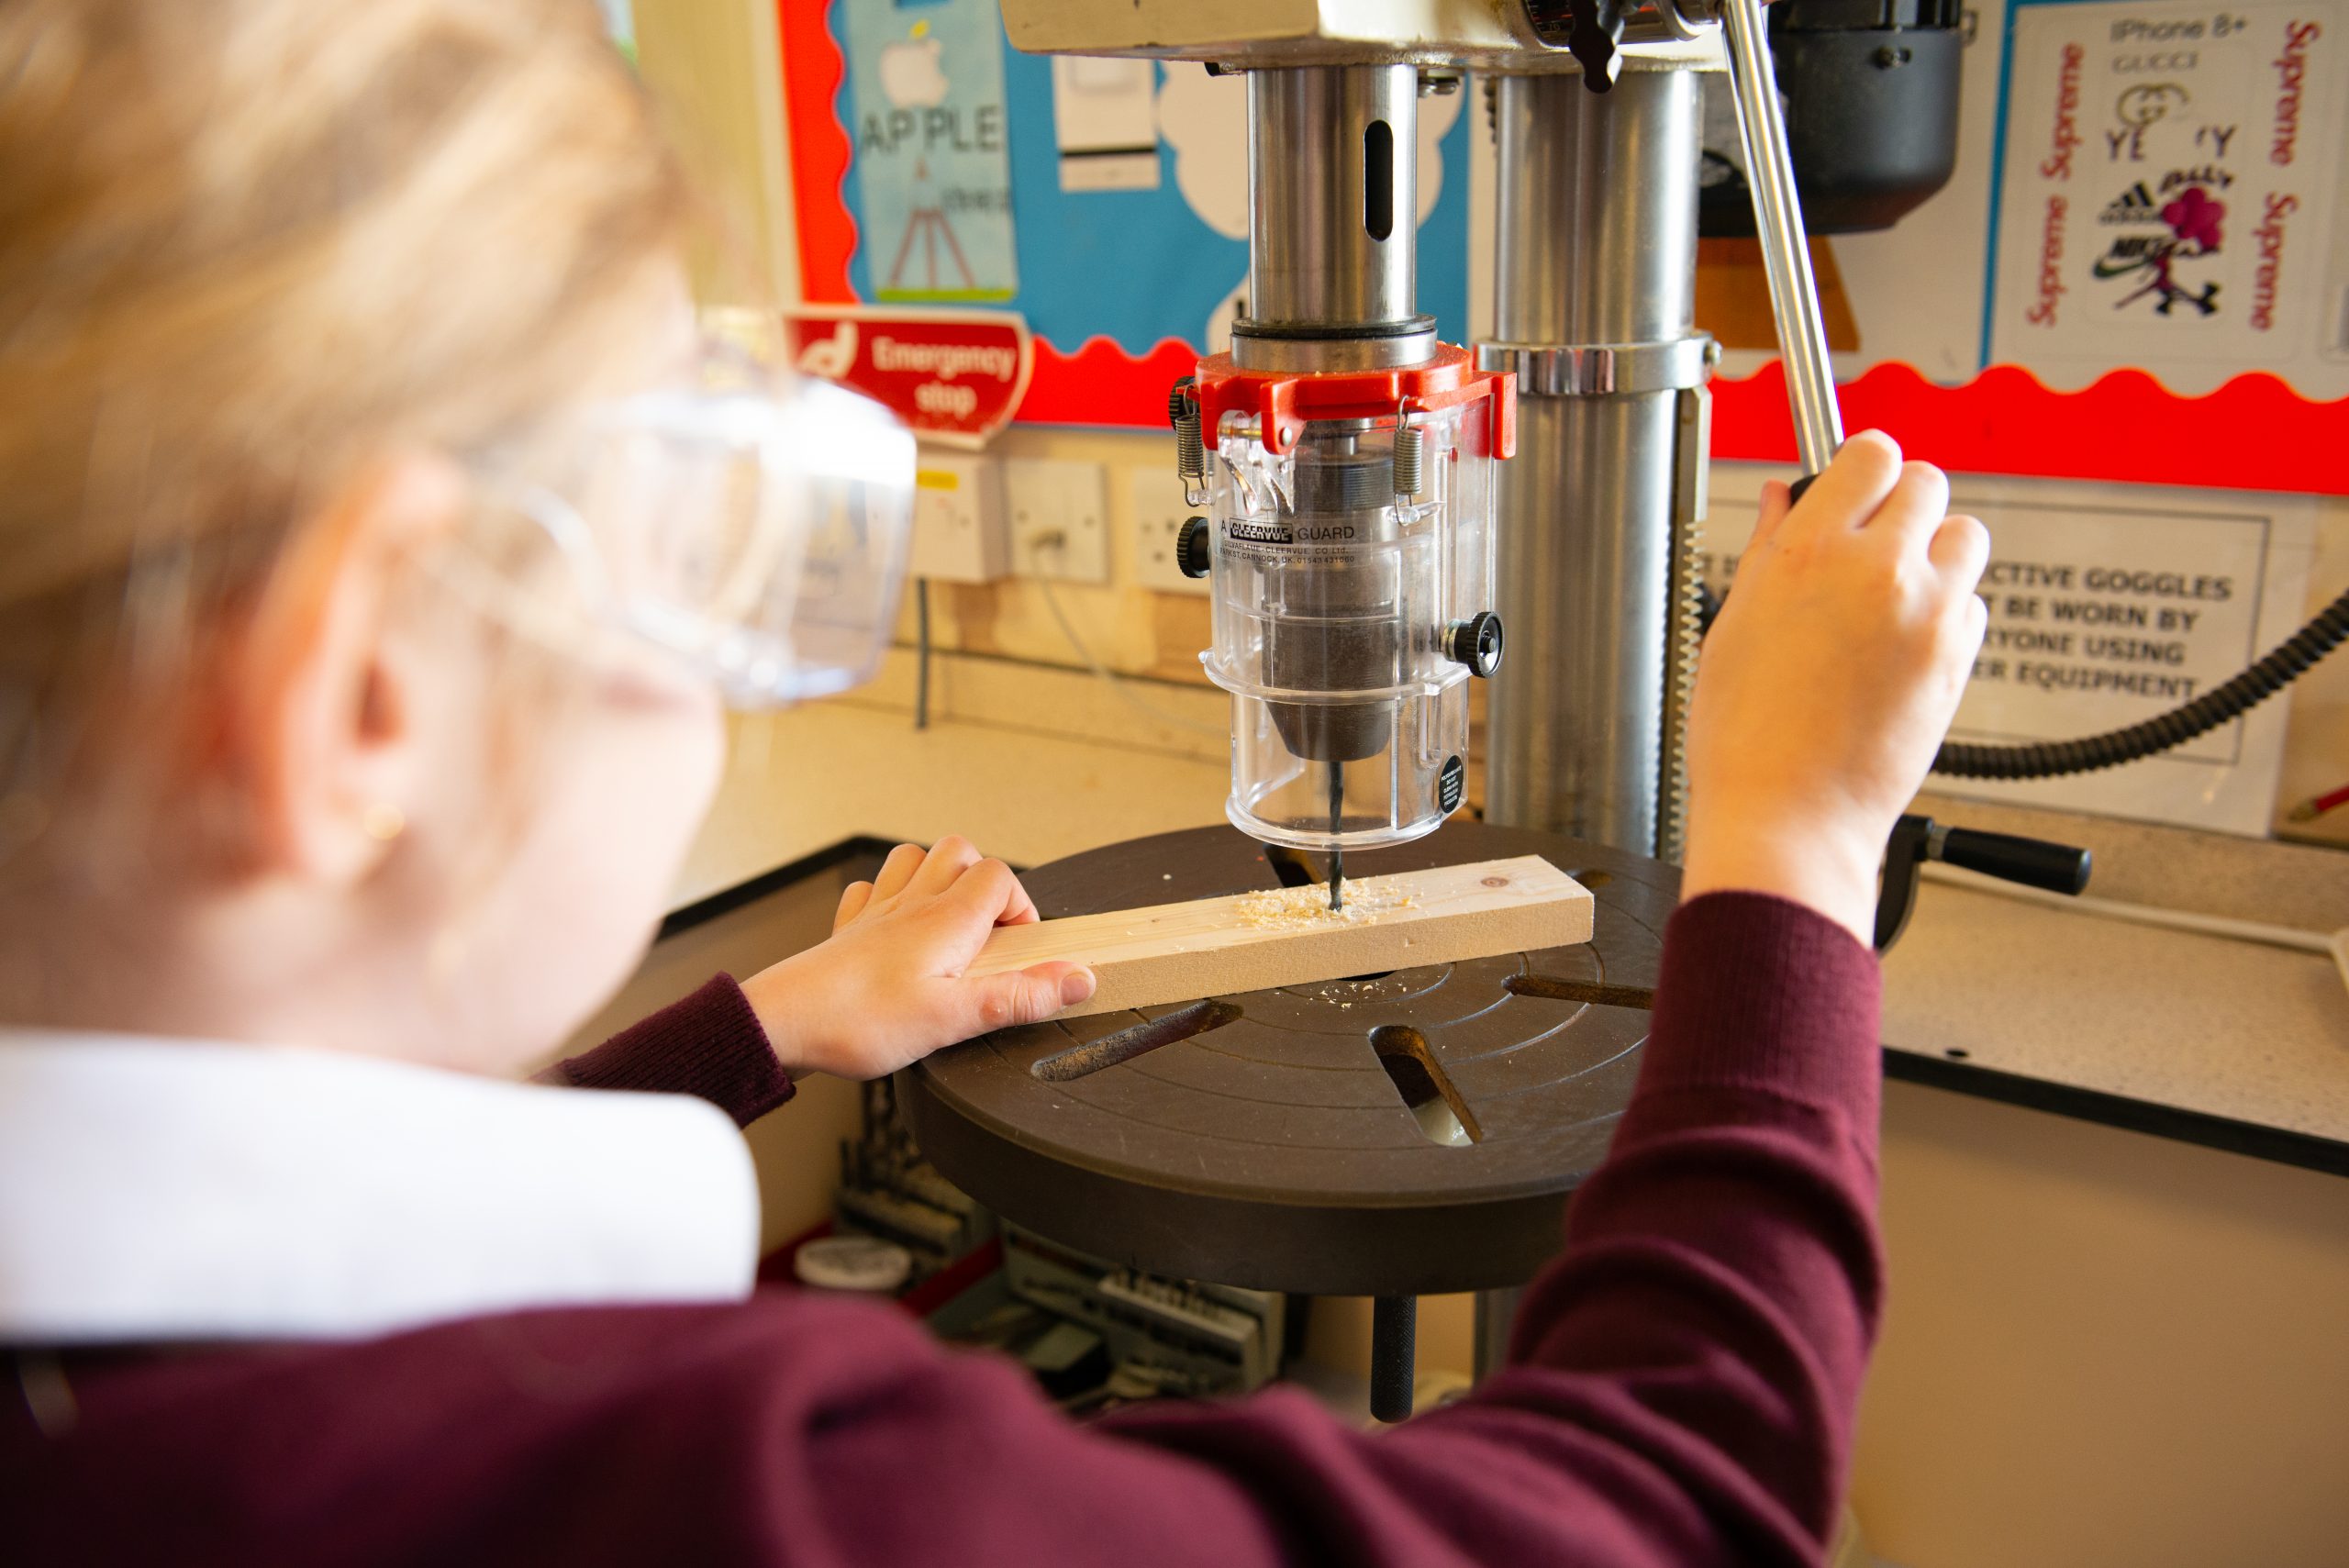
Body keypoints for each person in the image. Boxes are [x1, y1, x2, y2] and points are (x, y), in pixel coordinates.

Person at [0, 3, 1990, 1564]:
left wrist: (756, 1026)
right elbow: (1671, 1509)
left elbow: (320, 1222)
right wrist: (1791, 841)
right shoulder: (764, 1505)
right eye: (692, 533)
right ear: (363, 708)